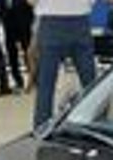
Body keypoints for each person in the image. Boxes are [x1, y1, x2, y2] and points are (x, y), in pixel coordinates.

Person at [30, 0, 98, 129]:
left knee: (46, 85)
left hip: (50, 22)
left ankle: (41, 129)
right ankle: (98, 124)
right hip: (80, 20)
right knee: (91, 82)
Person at [0, 0, 34, 90]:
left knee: (28, 52)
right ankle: (18, 81)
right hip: (8, 24)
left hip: (25, 23)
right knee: (12, 54)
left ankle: (33, 79)